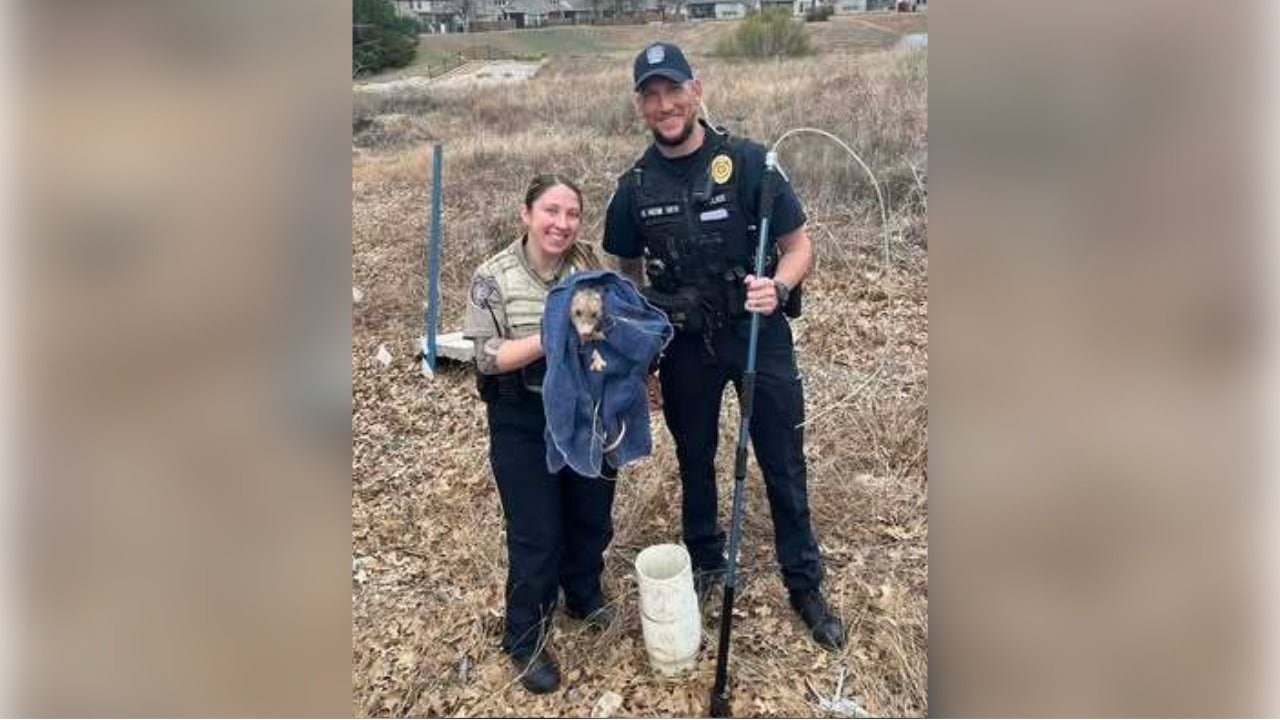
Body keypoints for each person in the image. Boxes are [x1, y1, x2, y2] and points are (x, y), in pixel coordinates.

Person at [603, 42, 846, 651]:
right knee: (694, 457)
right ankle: (706, 562)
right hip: (684, 345)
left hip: (757, 334)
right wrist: (640, 352)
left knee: (782, 459)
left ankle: (803, 579)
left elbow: (799, 245)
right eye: (651, 96)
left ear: (697, 89)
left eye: (673, 91)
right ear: (639, 106)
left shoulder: (751, 163)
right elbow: (623, 270)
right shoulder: (633, 185)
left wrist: (778, 285)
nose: (665, 105)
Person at [463, 174, 617, 694]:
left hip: (584, 413)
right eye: (551, 211)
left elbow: (609, 334)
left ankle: (583, 594)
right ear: (525, 214)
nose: (562, 223)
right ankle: (523, 633)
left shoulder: (589, 268)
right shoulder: (493, 276)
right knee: (536, 532)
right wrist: (550, 338)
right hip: (522, 418)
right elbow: (486, 357)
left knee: (591, 515)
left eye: (572, 214)